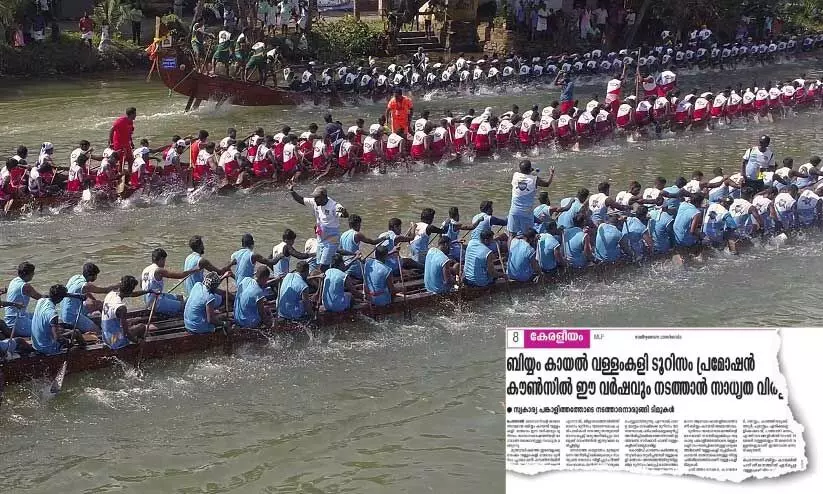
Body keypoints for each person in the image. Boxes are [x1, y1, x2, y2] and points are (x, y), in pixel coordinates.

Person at [288, 185, 348, 271]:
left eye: (317, 198)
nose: (315, 200)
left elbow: (344, 214)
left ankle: (323, 282)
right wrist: (291, 191)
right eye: (314, 197)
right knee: (319, 263)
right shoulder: (315, 202)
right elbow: (300, 200)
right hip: (321, 240)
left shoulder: (334, 206)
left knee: (323, 265)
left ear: (324, 196)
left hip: (331, 240)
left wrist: (345, 213)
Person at [61, 263, 119, 334]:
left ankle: (107, 321)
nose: (96, 277)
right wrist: (118, 285)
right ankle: (102, 333)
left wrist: (95, 303)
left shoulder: (75, 277)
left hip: (67, 311)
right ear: (90, 276)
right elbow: (104, 290)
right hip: (72, 316)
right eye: (95, 275)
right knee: (97, 330)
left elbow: (86, 292)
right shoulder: (85, 286)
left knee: (99, 304)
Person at [141, 248, 198, 316]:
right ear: (161, 259)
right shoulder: (158, 270)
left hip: (150, 299)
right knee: (185, 306)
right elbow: (180, 275)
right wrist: (193, 270)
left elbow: (141, 285)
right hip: (155, 303)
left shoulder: (145, 270)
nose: (164, 263)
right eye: (164, 260)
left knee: (180, 297)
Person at [508, 160, 555, 241]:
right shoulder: (534, 179)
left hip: (514, 211)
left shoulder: (515, 176)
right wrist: (551, 174)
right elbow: (547, 184)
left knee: (511, 235)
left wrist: (531, 170)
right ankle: (529, 251)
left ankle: (511, 253)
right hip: (526, 213)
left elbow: (525, 173)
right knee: (528, 235)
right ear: (529, 169)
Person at [101, 276, 151, 350]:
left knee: (130, 323)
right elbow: (127, 334)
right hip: (116, 341)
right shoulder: (121, 308)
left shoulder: (110, 294)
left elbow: (133, 294)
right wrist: (137, 341)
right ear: (129, 291)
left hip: (105, 337)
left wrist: (148, 291)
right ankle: (139, 348)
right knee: (142, 327)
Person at [31, 285, 75, 355]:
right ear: (61, 298)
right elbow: (58, 339)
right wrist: (68, 342)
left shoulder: (41, 300)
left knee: (63, 328)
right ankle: (85, 348)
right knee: (75, 333)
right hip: (47, 348)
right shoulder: (53, 314)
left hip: (35, 345)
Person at [3, 262, 42, 337]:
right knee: (43, 329)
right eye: (33, 273)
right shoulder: (25, 286)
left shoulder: (14, 281)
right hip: (17, 322)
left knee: (40, 316)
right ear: (28, 274)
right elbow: (40, 298)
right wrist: (56, 295)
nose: (33, 275)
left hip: (12, 318)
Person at [339, 214, 380, 279]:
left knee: (365, 261)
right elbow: (373, 242)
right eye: (360, 224)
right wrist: (383, 238)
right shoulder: (357, 234)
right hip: (354, 267)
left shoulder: (343, 235)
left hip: (346, 265)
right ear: (358, 224)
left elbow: (340, 251)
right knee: (374, 266)